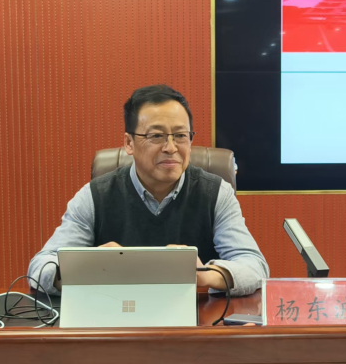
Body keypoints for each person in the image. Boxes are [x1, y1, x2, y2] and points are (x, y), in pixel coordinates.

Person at [28, 84, 269, 296]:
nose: (171, 147)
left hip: (195, 321)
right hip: (114, 317)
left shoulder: (215, 193)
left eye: (180, 135)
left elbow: (255, 266)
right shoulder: (95, 196)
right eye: (156, 136)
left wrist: (205, 274)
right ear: (129, 143)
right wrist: (86, 268)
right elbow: (39, 267)